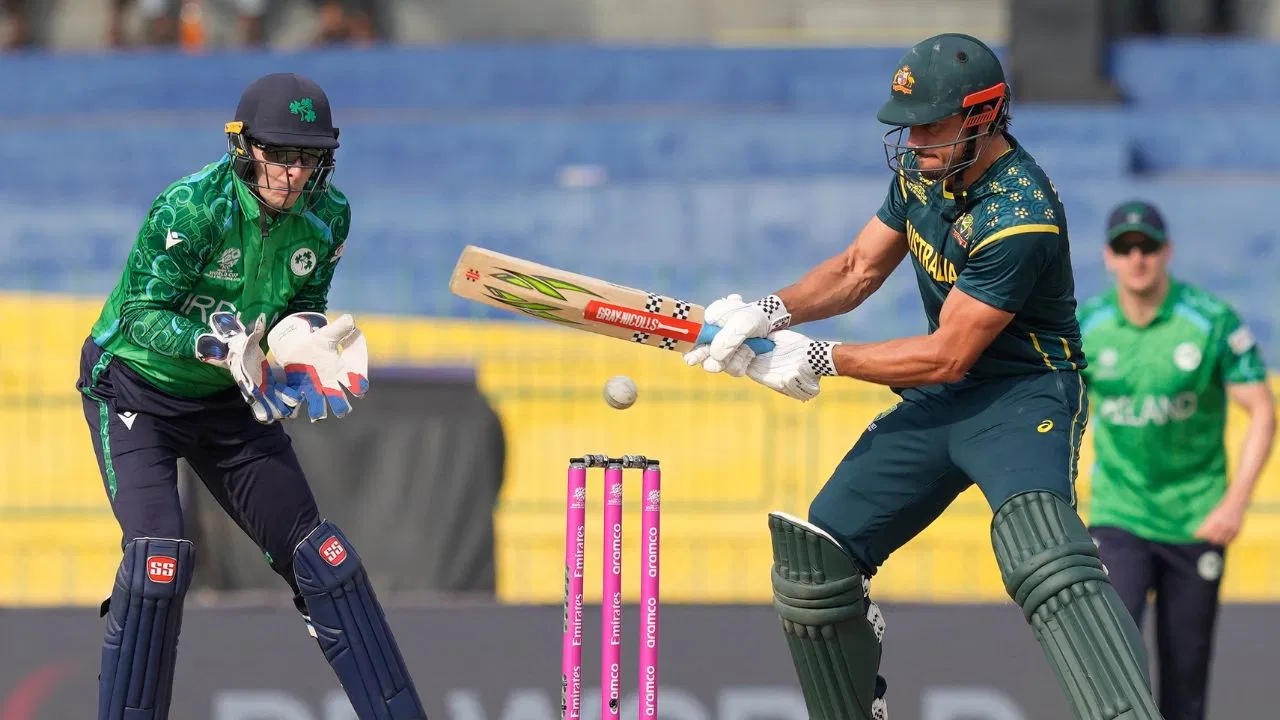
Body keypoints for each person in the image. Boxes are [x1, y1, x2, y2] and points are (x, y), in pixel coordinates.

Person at [682, 33, 1166, 719]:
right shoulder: (923, 171)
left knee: (1044, 556)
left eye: (931, 125)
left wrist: (819, 357)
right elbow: (856, 269)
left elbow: (948, 354)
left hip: (1024, 393)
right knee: (818, 559)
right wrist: (768, 311)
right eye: (908, 126)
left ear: (983, 116)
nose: (914, 141)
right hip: (944, 396)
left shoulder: (1019, 213)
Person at [76, 72, 429, 720]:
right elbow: (138, 316)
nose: (293, 174)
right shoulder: (191, 208)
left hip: (229, 399)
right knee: (159, 561)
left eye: (309, 158)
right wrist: (217, 346)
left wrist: (302, 351)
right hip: (135, 389)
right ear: (243, 147)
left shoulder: (329, 218)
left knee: (325, 561)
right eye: (280, 154)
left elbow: (300, 307)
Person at [1078, 200, 1276, 720]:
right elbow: (1054, 406)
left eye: (1146, 246)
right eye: (1124, 248)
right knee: (1112, 662)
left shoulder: (1210, 320)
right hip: (1120, 513)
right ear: (1108, 257)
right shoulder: (1086, 325)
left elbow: (1261, 410)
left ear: (1166, 251)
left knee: (1186, 682)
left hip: (1196, 518)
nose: (1137, 258)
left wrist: (1234, 504)